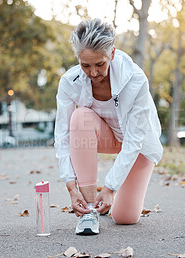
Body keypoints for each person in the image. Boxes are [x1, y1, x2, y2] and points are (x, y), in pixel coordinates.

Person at [54, 18, 163, 235]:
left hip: (138, 143)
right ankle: (89, 211)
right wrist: (70, 185)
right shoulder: (69, 82)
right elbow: (63, 135)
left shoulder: (135, 79)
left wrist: (110, 187)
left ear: (111, 54)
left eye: (99, 64)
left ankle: (108, 200)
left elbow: (134, 140)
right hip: (106, 136)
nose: (93, 73)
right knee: (80, 118)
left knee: (125, 217)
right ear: (78, 59)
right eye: (85, 65)